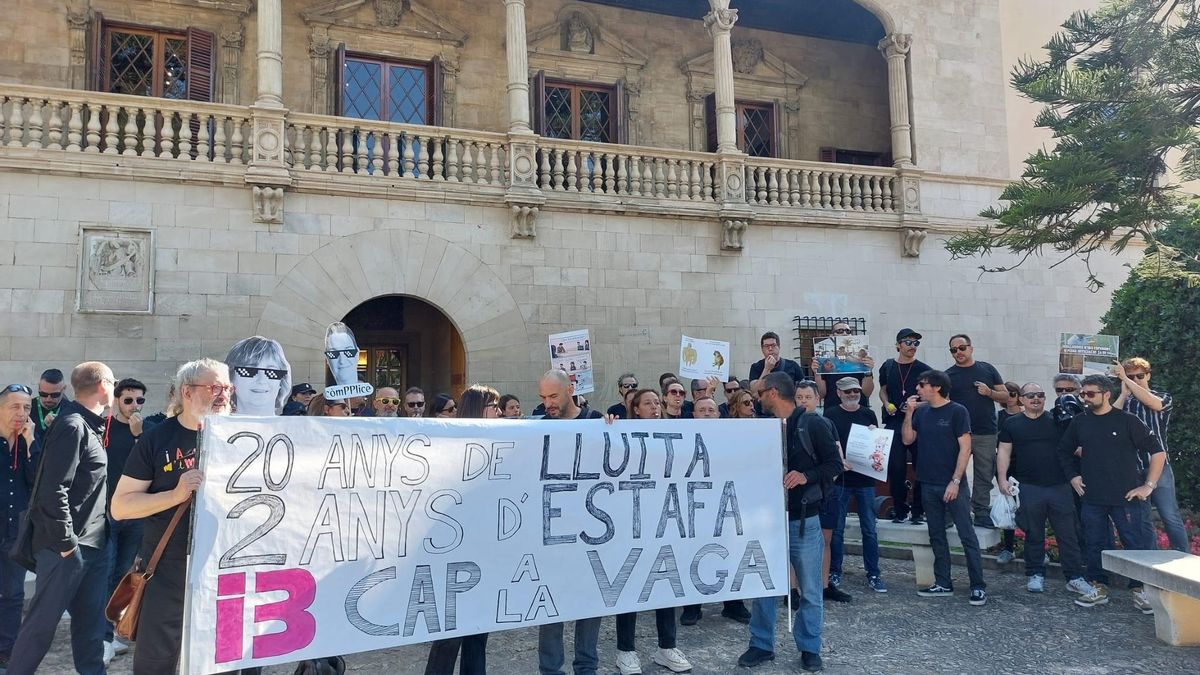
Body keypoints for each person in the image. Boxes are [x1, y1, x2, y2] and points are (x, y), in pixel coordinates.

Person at [111, 359, 232, 673]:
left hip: (226, 571)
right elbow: (121, 506)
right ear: (187, 392)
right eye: (214, 387)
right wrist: (175, 496)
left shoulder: (245, 437)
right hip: (167, 570)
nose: (223, 395)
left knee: (227, 660)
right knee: (157, 662)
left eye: (227, 388)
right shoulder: (157, 439)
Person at [8, 362, 115, 675]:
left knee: (91, 629)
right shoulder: (72, 425)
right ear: (102, 385)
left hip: (93, 546)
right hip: (65, 549)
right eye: (113, 381)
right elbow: (53, 489)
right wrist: (68, 545)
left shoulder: (88, 424)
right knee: (40, 627)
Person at [738, 372, 841, 673]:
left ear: (772, 393)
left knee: (810, 589)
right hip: (768, 521)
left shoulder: (813, 424)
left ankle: (810, 647)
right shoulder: (761, 428)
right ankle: (761, 644)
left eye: (759, 393)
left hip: (804, 522)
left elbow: (834, 464)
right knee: (764, 587)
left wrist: (805, 476)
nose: (756, 399)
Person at [1059, 375, 1165, 611]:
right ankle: (1099, 586)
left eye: (1090, 393)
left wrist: (1148, 486)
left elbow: (1157, 453)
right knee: (1095, 543)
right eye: (1082, 394)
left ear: (1107, 394)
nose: (1085, 398)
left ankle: (1140, 590)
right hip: (1093, 497)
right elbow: (1064, 451)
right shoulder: (1080, 422)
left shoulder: (1127, 420)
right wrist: (1073, 477)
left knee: (1135, 543)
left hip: (1126, 496)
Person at [612, 389, 693, 675]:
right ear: (634, 408)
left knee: (664, 585)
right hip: (631, 523)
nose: (655, 407)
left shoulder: (673, 432)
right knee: (629, 585)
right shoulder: (620, 434)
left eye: (657, 402)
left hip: (664, 520)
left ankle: (666, 646)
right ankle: (626, 651)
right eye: (648, 403)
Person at [425, 385, 500, 674]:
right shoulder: (449, 444)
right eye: (494, 406)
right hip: (454, 554)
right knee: (449, 633)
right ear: (481, 409)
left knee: (479, 631)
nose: (499, 411)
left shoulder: (505, 440)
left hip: (486, 551)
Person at [536, 370, 603, 675]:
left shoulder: (595, 420)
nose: (548, 403)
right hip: (552, 534)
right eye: (544, 397)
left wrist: (613, 434)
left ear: (570, 390)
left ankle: (586, 667)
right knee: (550, 605)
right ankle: (551, 670)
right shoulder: (535, 427)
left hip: (591, 532)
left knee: (590, 603)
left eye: (553, 396)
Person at [902, 369, 987, 606]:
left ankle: (978, 586)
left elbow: (965, 448)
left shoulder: (958, 412)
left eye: (922, 384)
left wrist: (956, 481)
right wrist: (909, 413)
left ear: (937, 387)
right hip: (927, 483)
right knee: (936, 534)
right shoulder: (922, 412)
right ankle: (943, 582)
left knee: (966, 534)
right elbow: (908, 439)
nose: (917, 388)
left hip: (953, 484)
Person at [996, 382, 1090, 596]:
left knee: (1068, 535)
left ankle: (1075, 577)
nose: (1035, 398)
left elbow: (1076, 448)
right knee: (1033, 534)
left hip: (1060, 486)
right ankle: (1035, 574)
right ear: (1021, 399)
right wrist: (1002, 479)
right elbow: (1003, 452)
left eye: (1039, 394)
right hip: (1029, 487)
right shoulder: (1012, 424)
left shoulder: (1057, 421)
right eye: (1030, 395)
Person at [1114, 357, 1187, 553]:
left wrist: (1125, 380)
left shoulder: (1163, 396)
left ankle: (1183, 558)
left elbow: (1154, 404)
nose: (1135, 380)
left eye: (1139, 376)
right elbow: (1110, 421)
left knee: (1169, 515)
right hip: (1133, 466)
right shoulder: (1125, 401)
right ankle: (1150, 563)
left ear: (1148, 375)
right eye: (1130, 376)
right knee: (1142, 519)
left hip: (1159, 466)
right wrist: (1122, 395)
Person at [824, 377, 887, 594]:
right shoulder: (831, 414)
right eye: (848, 391)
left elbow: (877, 446)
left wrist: (874, 433)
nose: (852, 394)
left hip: (865, 480)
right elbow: (828, 443)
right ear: (839, 393)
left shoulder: (868, 413)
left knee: (869, 529)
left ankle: (874, 573)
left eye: (856, 391)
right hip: (841, 480)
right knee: (838, 529)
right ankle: (834, 571)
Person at [102, 378, 149, 663]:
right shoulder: (104, 428)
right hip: (108, 515)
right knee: (106, 573)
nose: (134, 406)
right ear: (117, 399)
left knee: (123, 576)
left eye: (139, 400)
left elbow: (149, 465)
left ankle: (115, 632)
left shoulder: (146, 432)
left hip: (135, 515)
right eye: (128, 400)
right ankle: (104, 636)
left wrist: (138, 435)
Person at [944, 334, 1007, 527]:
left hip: (985, 431)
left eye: (961, 348)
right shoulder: (948, 375)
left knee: (984, 473)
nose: (958, 353)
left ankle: (980, 511)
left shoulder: (987, 369)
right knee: (954, 472)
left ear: (971, 348)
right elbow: (942, 402)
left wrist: (989, 393)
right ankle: (951, 511)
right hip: (958, 433)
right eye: (954, 350)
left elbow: (1005, 396)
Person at [796, 381, 850, 604]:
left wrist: (828, 480)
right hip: (800, 493)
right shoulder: (789, 425)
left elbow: (837, 457)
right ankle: (794, 590)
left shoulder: (826, 423)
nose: (803, 401)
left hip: (826, 490)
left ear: (817, 399)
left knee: (825, 540)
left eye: (807, 397)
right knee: (797, 542)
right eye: (799, 397)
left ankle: (824, 584)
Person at [0, 384, 36, 672]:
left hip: (16, 533)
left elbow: (38, 483)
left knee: (12, 594)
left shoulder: (31, 443)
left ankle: (7, 651)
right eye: (15, 406)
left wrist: (30, 444)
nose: (22, 413)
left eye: (26, 407)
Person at [878, 328, 930, 525]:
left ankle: (918, 510)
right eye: (908, 342)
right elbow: (883, 390)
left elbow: (934, 397)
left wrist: (915, 405)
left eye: (916, 343)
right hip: (894, 421)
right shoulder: (889, 366)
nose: (912, 347)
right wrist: (886, 403)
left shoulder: (924, 369)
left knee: (921, 467)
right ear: (898, 344)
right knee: (895, 467)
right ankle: (900, 509)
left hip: (918, 422)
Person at [811, 321, 875, 410]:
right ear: (831, 336)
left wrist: (868, 371)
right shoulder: (826, 360)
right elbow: (821, 394)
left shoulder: (860, 362)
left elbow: (867, 393)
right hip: (832, 410)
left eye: (848, 331)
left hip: (859, 410)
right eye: (840, 331)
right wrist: (816, 373)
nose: (844, 333)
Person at [226, 336, 292, 416]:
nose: (261, 380)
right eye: (249, 371)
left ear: (281, 382)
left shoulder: (291, 428)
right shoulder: (216, 426)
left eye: (271, 372)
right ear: (231, 378)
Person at [994, 381, 1023, 564]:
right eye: (1008, 393)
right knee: (1008, 506)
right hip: (1006, 465)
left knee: (1029, 506)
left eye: (1014, 393)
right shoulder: (998, 416)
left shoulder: (1025, 414)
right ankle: (1008, 547)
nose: (1010, 397)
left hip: (1025, 464)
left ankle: (1035, 548)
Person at [32, 368, 68, 441]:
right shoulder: (28, 407)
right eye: (43, 394)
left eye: (55, 395)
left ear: (63, 389)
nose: (48, 399)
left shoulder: (70, 410)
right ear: (39, 388)